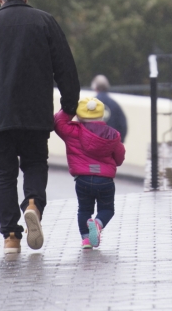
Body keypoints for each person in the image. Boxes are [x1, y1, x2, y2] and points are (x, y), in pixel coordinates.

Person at [0, 0, 80, 255]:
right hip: (34, 112)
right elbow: (65, 67)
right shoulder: (45, 22)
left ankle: (10, 237)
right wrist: (69, 105)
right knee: (34, 164)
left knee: (4, 175)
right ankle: (32, 204)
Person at [54, 97, 126, 249]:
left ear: (79, 114)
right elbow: (119, 158)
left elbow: (58, 122)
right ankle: (98, 224)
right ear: (102, 114)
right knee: (107, 209)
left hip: (83, 179)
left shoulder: (72, 132)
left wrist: (71, 107)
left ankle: (86, 240)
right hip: (105, 180)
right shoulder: (112, 135)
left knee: (84, 209)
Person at [91, 74, 127, 142]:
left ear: (95, 87)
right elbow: (122, 126)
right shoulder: (115, 105)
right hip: (111, 145)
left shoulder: (89, 104)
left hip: (93, 146)